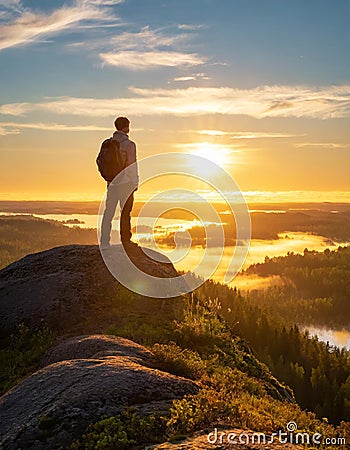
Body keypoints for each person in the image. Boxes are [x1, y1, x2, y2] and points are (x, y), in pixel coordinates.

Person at [100, 116, 138, 248]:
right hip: (126, 183)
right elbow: (131, 165)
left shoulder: (107, 143)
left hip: (112, 183)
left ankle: (104, 241)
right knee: (125, 212)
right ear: (127, 127)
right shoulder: (129, 145)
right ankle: (126, 241)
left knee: (108, 212)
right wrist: (135, 183)